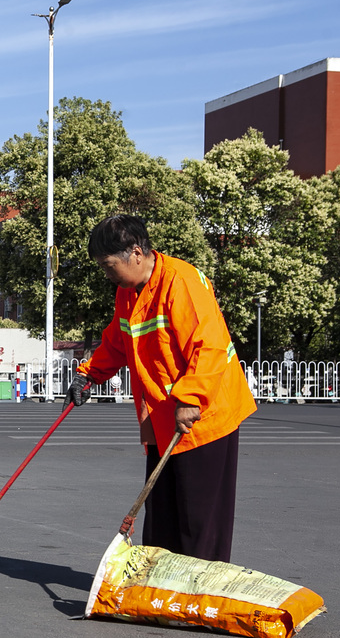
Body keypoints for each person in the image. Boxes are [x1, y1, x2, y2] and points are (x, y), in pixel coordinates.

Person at [66, 214, 256, 562]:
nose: (107, 275)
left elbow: (209, 346)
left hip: (204, 415)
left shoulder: (182, 282)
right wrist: (88, 375)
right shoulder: (129, 293)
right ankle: (164, 585)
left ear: (136, 253)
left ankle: (201, 588)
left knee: (198, 516)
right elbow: (118, 342)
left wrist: (190, 399)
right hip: (163, 417)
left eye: (109, 266)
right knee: (164, 509)